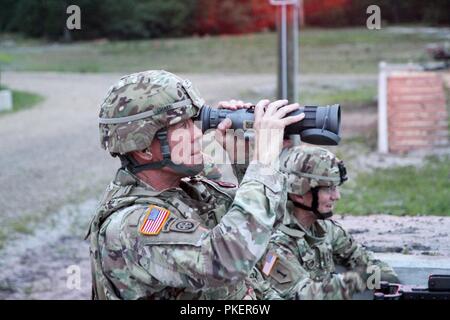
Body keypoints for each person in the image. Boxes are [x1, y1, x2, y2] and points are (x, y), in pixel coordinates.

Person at [85, 69, 305, 299]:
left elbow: (265, 227)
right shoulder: (130, 226)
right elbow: (226, 262)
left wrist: (246, 161)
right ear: (143, 148)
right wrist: (263, 163)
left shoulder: (190, 188)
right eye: (182, 126)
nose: (198, 134)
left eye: (194, 121)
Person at [256, 145, 400, 300]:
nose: (336, 196)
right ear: (299, 193)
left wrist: (386, 279)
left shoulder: (324, 228)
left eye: (336, 188)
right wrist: (359, 279)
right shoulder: (274, 244)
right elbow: (303, 295)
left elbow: (365, 260)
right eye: (328, 189)